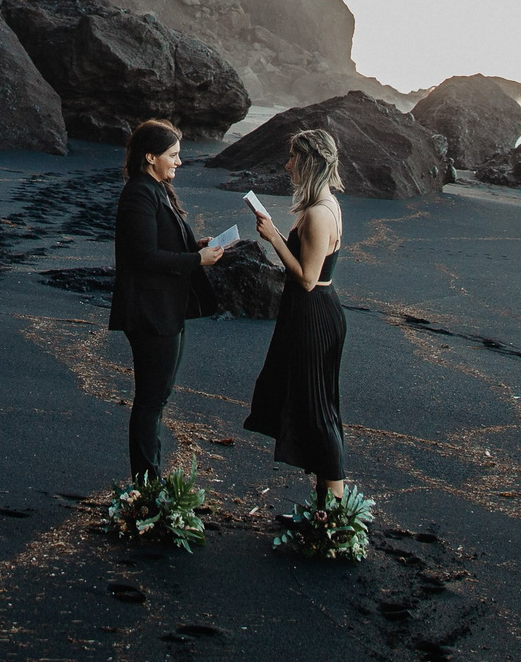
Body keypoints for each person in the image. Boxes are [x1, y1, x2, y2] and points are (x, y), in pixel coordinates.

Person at [108, 120, 224, 478]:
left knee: (157, 399)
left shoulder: (156, 189)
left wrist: (195, 247)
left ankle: (149, 482)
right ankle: (146, 485)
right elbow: (143, 256)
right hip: (150, 312)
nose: (179, 162)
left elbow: (158, 244)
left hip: (165, 309)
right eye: (173, 155)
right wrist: (196, 261)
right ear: (150, 157)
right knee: (150, 402)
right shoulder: (139, 193)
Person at [245, 128, 349, 501]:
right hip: (309, 313)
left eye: (292, 157)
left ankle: (336, 516)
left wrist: (273, 237)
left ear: (308, 163)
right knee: (312, 405)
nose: (287, 164)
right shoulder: (321, 206)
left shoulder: (320, 213)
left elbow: (307, 278)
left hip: (314, 314)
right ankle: (324, 509)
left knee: (319, 409)